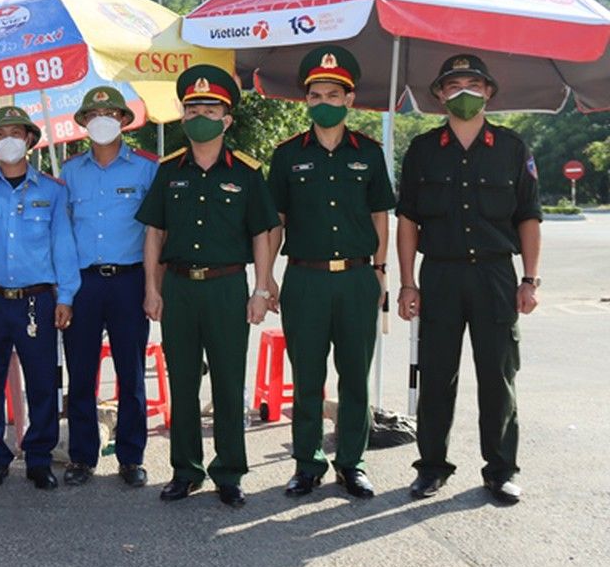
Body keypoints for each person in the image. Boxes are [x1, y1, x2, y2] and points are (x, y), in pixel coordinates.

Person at [396, 54, 541, 505]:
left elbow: (529, 219)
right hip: (438, 274)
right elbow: (408, 222)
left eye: (473, 84)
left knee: (498, 376)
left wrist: (530, 280)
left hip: (496, 274)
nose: (463, 92)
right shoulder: (422, 149)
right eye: (453, 85)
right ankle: (431, 468)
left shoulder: (513, 148)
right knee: (437, 375)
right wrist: (407, 282)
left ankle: (501, 470)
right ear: (438, 94)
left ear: (489, 92)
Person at [137, 66, 277, 507]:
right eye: (192, 108)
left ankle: (230, 471)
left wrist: (260, 289)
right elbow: (153, 234)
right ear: (182, 116)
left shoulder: (249, 173)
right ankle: (185, 470)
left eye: (210, 108)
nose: (200, 115)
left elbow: (263, 234)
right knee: (182, 381)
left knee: (228, 382)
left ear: (227, 118)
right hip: (179, 287)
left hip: (227, 288)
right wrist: (151, 288)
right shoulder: (168, 171)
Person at [266, 47, 395, 500]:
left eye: (332, 93)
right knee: (306, 377)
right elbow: (274, 222)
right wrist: (266, 280)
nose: (323, 100)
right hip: (304, 279)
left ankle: (352, 463)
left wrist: (381, 271)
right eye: (315, 93)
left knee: (355, 376)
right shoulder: (286, 156)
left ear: (349, 98)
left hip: (358, 277)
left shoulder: (370, 153)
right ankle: (307, 464)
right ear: (306, 100)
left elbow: (381, 217)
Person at [0, 106, 80, 490]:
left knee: (42, 381)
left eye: (16, 132)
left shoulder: (52, 191)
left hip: (37, 301)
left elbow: (63, 246)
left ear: (28, 139)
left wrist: (68, 296)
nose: (8, 140)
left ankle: (39, 458)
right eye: (0, 134)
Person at [59, 87, 156, 488]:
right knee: (81, 374)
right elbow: (61, 234)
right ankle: (82, 456)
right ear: (82, 123)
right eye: (93, 113)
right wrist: (63, 292)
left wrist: (155, 286)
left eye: (109, 112)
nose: (101, 119)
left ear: (122, 119)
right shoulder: (69, 172)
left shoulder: (147, 168)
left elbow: (157, 231)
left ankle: (131, 456)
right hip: (83, 283)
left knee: (130, 373)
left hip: (130, 281)